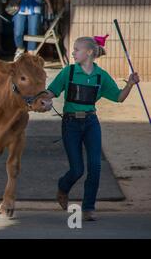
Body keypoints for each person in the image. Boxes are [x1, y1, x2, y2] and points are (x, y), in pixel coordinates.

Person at [44, 35, 140, 221]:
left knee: (95, 167)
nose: (73, 52)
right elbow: (51, 92)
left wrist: (130, 84)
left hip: (91, 123)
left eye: (76, 49)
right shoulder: (68, 72)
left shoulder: (101, 76)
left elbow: (119, 97)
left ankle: (88, 208)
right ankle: (63, 187)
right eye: (73, 49)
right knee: (77, 170)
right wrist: (40, 97)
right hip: (70, 124)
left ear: (89, 52)